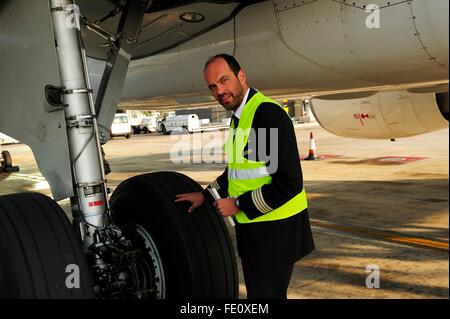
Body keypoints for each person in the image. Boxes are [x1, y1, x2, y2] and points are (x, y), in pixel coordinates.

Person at [175, 53, 315, 299]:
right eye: (213, 86)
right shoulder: (241, 116)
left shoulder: (266, 115)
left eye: (224, 80)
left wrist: (238, 204)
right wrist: (205, 196)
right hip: (256, 231)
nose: (220, 91)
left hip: (276, 233)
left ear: (241, 76)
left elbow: (289, 182)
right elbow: (237, 173)